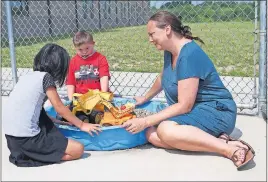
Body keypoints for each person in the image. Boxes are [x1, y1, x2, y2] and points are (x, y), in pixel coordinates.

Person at [123, 11, 255, 170]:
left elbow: (184, 105)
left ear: (167, 29)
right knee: (151, 134)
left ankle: (229, 149)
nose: (150, 40)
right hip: (195, 112)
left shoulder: (189, 55)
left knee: (165, 130)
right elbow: (163, 77)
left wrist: (144, 121)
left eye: (152, 34)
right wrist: (145, 98)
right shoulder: (170, 51)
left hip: (217, 111)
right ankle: (217, 141)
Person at [2, 43, 101, 167]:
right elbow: (59, 107)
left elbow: (32, 110)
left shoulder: (27, 77)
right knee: (78, 149)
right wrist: (81, 124)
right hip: (28, 140)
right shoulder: (46, 78)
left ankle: (32, 154)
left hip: (12, 142)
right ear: (60, 66)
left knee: (47, 122)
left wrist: (56, 121)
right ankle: (40, 156)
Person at [66, 30, 111, 101]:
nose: (84, 52)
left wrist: (103, 95)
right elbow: (70, 83)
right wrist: (71, 100)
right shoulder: (73, 62)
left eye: (87, 48)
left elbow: (104, 78)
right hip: (80, 98)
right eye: (80, 49)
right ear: (75, 47)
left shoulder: (100, 58)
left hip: (98, 97)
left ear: (93, 44)